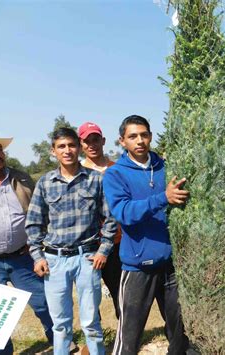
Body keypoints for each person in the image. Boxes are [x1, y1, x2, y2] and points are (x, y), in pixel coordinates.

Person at [102, 115, 189, 355]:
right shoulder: (115, 174)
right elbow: (124, 213)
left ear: (150, 136)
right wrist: (163, 198)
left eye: (144, 134)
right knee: (129, 336)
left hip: (170, 265)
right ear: (122, 141)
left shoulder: (164, 167)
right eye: (132, 136)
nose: (139, 140)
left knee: (180, 331)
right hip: (137, 266)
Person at [26, 128, 117, 355]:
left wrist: (103, 250)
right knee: (61, 325)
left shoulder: (96, 179)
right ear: (53, 151)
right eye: (61, 146)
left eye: (71, 145)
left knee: (91, 324)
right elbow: (34, 223)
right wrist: (37, 257)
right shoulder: (45, 183)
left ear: (79, 147)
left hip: (87, 259)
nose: (67, 151)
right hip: (54, 262)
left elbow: (111, 218)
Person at [0, 137, 53, 355]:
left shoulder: (22, 179)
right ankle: (1, 352)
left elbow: (40, 211)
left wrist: (37, 242)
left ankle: (60, 339)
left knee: (42, 302)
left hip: (23, 256)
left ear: (4, 154)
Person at [78, 121, 122, 318]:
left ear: (103, 141)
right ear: (81, 145)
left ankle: (125, 334)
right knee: (89, 296)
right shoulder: (76, 172)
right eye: (87, 141)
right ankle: (93, 340)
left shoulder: (119, 168)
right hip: (89, 243)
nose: (92, 145)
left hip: (119, 241)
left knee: (120, 292)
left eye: (95, 140)